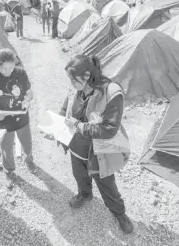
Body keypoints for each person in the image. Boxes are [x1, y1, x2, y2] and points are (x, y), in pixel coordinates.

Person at [57, 55, 134, 234]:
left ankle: (119, 212)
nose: (71, 83)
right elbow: (65, 109)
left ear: (86, 76)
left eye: (73, 79)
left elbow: (109, 129)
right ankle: (85, 194)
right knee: (79, 175)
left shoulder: (111, 92)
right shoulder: (75, 90)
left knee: (106, 184)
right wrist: (55, 127)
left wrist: (79, 125)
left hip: (99, 152)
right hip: (77, 148)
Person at [0, 49, 34, 188]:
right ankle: (9, 171)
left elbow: (29, 93)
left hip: (22, 116)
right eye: (4, 68)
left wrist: (28, 100)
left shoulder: (20, 73)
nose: (8, 71)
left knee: (27, 143)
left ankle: (29, 161)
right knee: (6, 148)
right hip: (4, 120)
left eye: (11, 67)